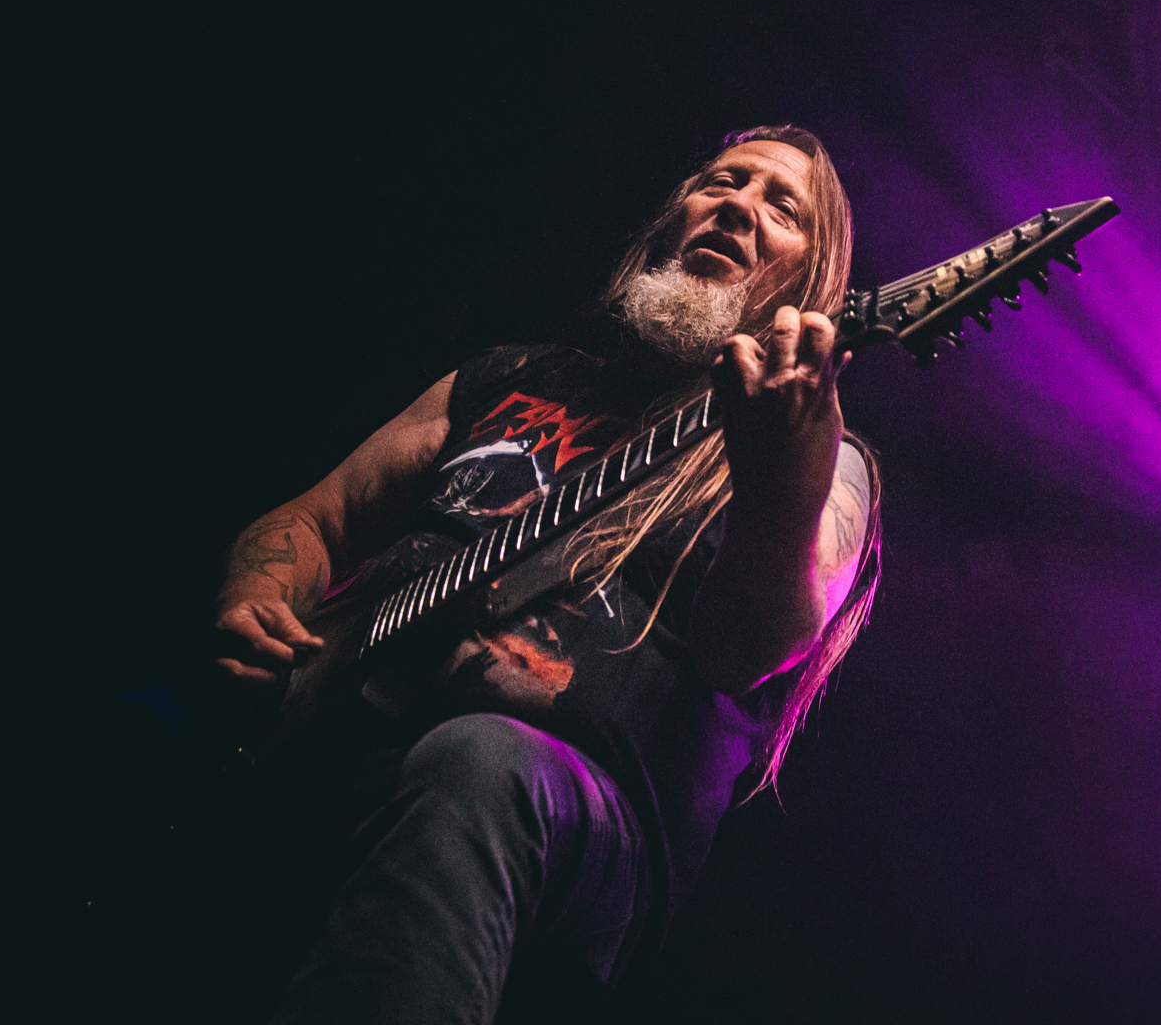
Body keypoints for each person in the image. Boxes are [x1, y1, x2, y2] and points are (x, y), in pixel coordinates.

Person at [214, 126, 882, 1023]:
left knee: (480, 762)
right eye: (724, 180)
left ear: (814, 284)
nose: (738, 204)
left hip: (569, 816)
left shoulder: (822, 465)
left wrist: (781, 475)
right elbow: (314, 517)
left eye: (781, 206)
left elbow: (744, 650)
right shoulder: (509, 378)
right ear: (670, 218)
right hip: (342, 741)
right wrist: (257, 598)